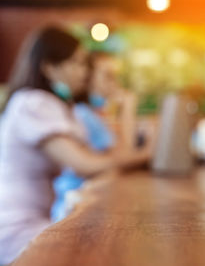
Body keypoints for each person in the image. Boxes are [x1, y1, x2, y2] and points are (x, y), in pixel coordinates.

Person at [0, 27, 150, 264]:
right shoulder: (33, 103)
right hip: (15, 227)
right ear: (49, 67)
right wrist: (146, 153)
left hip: (39, 219)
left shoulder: (56, 106)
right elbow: (84, 164)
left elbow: (102, 160)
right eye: (77, 63)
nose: (84, 72)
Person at [51, 51, 142, 222]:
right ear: (89, 77)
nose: (116, 83)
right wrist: (128, 109)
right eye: (108, 76)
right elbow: (125, 156)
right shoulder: (84, 115)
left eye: (116, 76)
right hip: (76, 210)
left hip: (90, 203)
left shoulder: (94, 113)